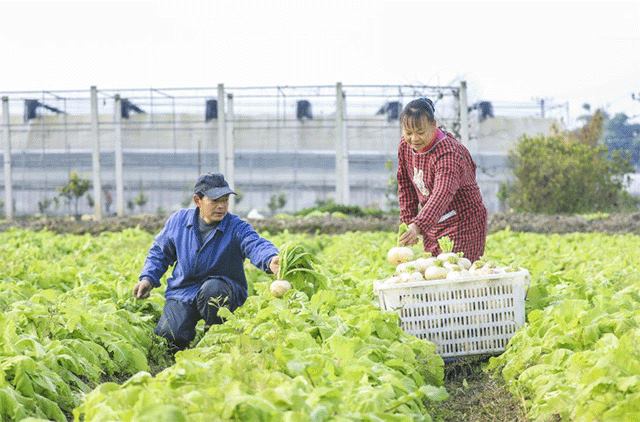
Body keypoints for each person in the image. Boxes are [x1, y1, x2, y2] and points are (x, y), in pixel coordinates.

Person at [132, 172, 280, 351]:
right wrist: (147, 278)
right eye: (215, 201)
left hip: (222, 289)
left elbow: (255, 244)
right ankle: (184, 339)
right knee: (168, 338)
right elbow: (159, 253)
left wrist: (270, 259)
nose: (222, 206)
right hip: (184, 291)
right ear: (197, 200)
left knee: (213, 290)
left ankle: (216, 336)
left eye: (225, 200)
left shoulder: (236, 226)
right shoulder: (179, 221)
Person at [397, 97, 487, 262]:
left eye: (420, 132)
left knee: (457, 272)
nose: (414, 139)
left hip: (463, 224)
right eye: (408, 133)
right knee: (434, 272)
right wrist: (407, 222)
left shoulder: (449, 153)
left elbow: (442, 193)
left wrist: (418, 225)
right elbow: (405, 185)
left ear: (434, 125)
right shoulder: (405, 146)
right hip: (432, 223)